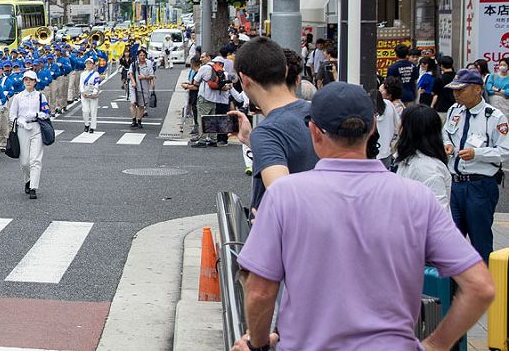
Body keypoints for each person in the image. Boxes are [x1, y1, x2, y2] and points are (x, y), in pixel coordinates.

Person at [232, 82, 495, 351]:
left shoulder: (285, 195)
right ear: (372, 127)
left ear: (314, 130)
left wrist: (259, 343)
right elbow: (480, 287)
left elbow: (260, 291)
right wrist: (436, 345)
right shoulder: (416, 197)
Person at [226, 37, 316, 212]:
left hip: (289, 237)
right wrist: (252, 140)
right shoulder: (317, 111)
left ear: (244, 79)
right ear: (285, 71)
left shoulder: (268, 132)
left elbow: (282, 198)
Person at [442, 68, 509, 262]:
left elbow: (504, 151)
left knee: (480, 242)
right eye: (454, 90)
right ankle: (453, 290)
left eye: (461, 90)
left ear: (478, 89)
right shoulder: (455, 110)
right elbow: (446, 132)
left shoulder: (494, 117)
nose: (456, 94)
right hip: (455, 184)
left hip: (479, 186)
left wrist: (477, 154)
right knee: (451, 242)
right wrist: (447, 144)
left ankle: (485, 288)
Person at [394, 104, 452, 208]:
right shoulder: (409, 159)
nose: (398, 127)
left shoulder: (427, 169)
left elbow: (439, 214)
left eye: (402, 122)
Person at [8, 69, 50, 199]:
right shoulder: (18, 97)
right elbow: (12, 115)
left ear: (35, 82)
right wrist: (20, 122)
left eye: (30, 80)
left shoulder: (40, 96)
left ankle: (33, 187)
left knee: (35, 160)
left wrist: (37, 115)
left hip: (36, 127)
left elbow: (47, 113)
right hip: (23, 129)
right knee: (25, 161)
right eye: (26, 79)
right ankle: (28, 180)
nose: (28, 82)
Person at [190, 45, 234, 147]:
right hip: (215, 97)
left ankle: (202, 140)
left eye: (203, 57)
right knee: (212, 118)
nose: (201, 59)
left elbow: (196, 82)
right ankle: (213, 139)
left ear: (209, 58)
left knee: (202, 118)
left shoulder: (204, 68)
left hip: (204, 97)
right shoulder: (217, 69)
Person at [374, 76, 403, 170]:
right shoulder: (389, 105)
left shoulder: (393, 106)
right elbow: (397, 128)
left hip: (373, 155)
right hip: (386, 153)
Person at [128, 50, 154, 129]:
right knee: (133, 103)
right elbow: (130, 73)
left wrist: (144, 77)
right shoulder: (134, 64)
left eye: (143, 55)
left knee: (141, 105)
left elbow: (151, 75)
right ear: (138, 56)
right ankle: (133, 120)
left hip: (144, 87)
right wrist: (133, 82)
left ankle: (139, 120)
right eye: (140, 55)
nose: (142, 57)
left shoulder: (148, 64)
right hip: (134, 87)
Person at [78, 57, 102, 134]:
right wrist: (82, 92)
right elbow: (81, 84)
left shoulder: (96, 74)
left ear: (93, 65)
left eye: (90, 63)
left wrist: (94, 93)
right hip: (85, 93)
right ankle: (86, 124)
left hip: (93, 94)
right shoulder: (83, 74)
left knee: (93, 110)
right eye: (87, 63)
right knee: (85, 110)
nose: (88, 65)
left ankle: (92, 127)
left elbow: (97, 84)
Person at [180, 56, 202, 136]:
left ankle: (197, 128)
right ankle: (196, 127)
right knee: (194, 111)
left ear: (192, 64)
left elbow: (196, 86)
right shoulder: (197, 72)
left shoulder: (198, 73)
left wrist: (186, 86)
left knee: (196, 112)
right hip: (193, 95)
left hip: (196, 95)